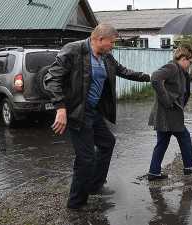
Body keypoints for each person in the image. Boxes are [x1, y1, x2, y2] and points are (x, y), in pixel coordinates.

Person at [44, 23, 150, 209]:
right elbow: (51, 78)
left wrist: (150, 77)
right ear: (100, 39)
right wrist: (60, 108)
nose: (113, 46)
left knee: (107, 143)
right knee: (86, 158)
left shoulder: (106, 57)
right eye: (112, 42)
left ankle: (94, 185)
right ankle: (76, 202)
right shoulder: (74, 50)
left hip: (93, 112)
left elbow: (124, 71)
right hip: (77, 111)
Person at [147, 44, 192, 181]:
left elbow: (183, 87)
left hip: (169, 114)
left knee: (162, 142)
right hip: (169, 113)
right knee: (184, 136)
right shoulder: (172, 67)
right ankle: (189, 167)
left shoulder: (180, 70)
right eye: (190, 62)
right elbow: (155, 78)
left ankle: (154, 172)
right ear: (183, 58)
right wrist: (167, 100)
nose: (190, 65)